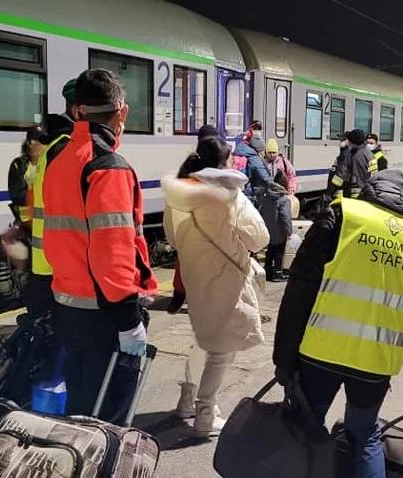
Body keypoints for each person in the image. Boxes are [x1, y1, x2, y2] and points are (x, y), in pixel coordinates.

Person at [273, 170, 403, 478]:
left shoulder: (341, 216)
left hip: (320, 353)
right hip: (376, 362)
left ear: (369, 190)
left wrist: (283, 358)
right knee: (364, 436)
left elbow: (299, 291)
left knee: (304, 429)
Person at [42, 69, 158, 423]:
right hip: (104, 313)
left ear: (78, 110)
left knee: (81, 407)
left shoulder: (60, 159)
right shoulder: (108, 166)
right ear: (120, 112)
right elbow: (113, 253)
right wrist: (129, 321)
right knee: (108, 414)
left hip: (68, 304)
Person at [162, 137, 269, 437]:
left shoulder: (178, 195)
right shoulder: (230, 195)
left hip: (196, 275)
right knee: (221, 350)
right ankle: (205, 414)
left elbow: (173, 238)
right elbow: (259, 238)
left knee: (202, 339)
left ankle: (187, 402)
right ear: (224, 163)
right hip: (226, 278)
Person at [26, 79, 78, 320]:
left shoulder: (55, 146)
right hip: (58, 265)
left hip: (46, 260)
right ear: (79, 110)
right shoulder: (65, 149)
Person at [168, 124, 224, 315]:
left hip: (187, 220)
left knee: (184, 260)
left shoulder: (189, 162)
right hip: (205, 222)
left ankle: (179, 295)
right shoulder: (215, 163)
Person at [8, 126, 46, 228]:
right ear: (30, 143)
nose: (45, 145)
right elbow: (17, 195)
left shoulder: (49, 163)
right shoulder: (19, 164)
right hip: (26, 221)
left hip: (46, 221)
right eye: (40, 141)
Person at [332, 129, 374, 199]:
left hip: (356, 196)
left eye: (345, 140)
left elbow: (357, 179)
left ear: (352, 142)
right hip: (367, 191)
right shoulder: (369, 154)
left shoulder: (356, 156)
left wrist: (354, 199)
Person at [232, 134, 271, 204]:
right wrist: (273, 185)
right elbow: (263, 175)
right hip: (248, 191)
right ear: (259, 149)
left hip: (236, 189)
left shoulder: (239, 151)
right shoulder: (253, 158)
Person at [327, 131, 353, 200]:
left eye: (343, 139)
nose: (341, 141)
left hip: (340, 192)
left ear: (349, 141)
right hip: (339, 191)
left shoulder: (346, 154)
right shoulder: (343, 153)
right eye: (340, 139)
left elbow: (340, 175)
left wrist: (330, 191)